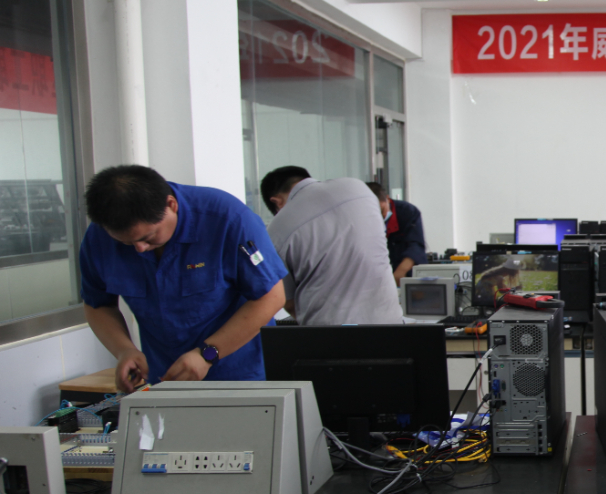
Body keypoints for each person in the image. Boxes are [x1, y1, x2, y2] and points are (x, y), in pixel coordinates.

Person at [79, 165, 287, 393]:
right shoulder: (99, 237)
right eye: (126, 243)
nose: (139, 248)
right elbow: (97, 304)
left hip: (240, 376)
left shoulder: (228, 219)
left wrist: (208, 354)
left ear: (171, 205)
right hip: (165, 378)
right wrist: (124, 350)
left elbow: (272, 297)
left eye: (148, 237)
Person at [260, 166, 403, 325]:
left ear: (276, 201)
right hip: (390, 323)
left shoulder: (277, 229)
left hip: (329, 332)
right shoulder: (358, 187)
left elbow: (287, 301)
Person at [366, 182, 429, 284]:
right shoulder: (361, 220)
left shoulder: (408, 212)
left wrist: (401, 270)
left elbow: (416, 245)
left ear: (387, 199)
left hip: (409, 276)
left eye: (382, 211)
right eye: (373, 214)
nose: (379, 217)